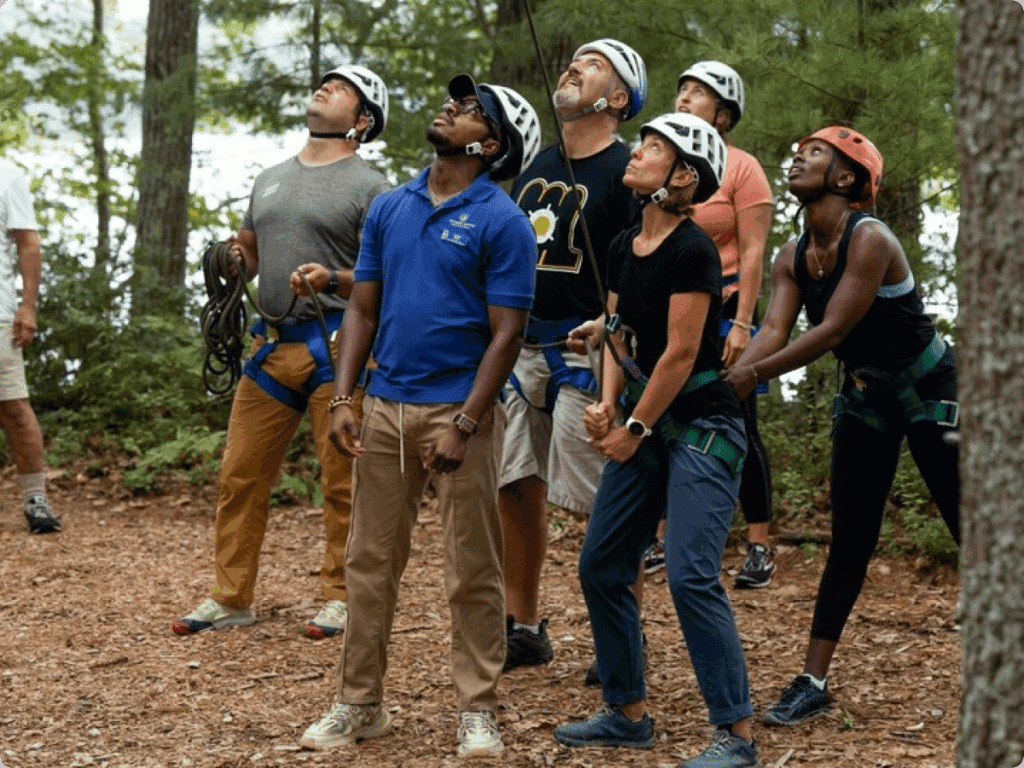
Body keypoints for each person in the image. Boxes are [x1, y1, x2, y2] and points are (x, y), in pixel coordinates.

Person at [299, 74, 541, 758]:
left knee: (472, 569)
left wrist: (466, 423)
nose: (451, 108)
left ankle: (477, 710)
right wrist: (345, 399)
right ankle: (358, 704)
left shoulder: (502, 220)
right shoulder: (390, 206)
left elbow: (507, 334)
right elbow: (363, 309)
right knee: (369, 563)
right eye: (456, 101)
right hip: (383, 407)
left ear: (491, 144)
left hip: (457, 413)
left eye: (470, 110)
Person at [724, 126, 960, 725]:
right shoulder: (791, 255)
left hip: (930, 390)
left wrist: (751, 379)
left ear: (848, 178)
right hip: (864, 398)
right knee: (850, 543)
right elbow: (773, 332)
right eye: (799, 149)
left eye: (817, 153)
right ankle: (812, 680)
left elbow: (830, 331)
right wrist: (718, 379)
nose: (799, 156)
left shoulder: (871, 239)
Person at [553, 112, 760, 768]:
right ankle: (626, 711)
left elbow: (678, 354)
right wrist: (607, 402)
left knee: (692, 572)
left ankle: (737, 734)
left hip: (701, 421)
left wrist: (633, 429)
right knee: (602, 564)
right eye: (641, 143)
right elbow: (616, 329)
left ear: (681, 176)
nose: (636, 153)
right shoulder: (621, 244)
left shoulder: (692, 250)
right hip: (642, 419)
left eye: (651, 148)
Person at [171, 65, 391, 639]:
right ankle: (230, 596)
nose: (324, 90)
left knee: (343, 480)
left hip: (339, 346)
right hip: (270, 348)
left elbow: (387, 277)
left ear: (362, 121)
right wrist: (234, 260)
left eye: (341, 90)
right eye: (324, 84)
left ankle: (342, 596)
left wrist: (333, 278)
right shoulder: (269, 178)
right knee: (239, 475)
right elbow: (251, 250)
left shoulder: (373, 188)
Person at [499, 38, 647, 671]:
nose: (574, 66)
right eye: (574, 59)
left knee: (603, 501)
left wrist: (613, 328)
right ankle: (524, 625)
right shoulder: (534, 169)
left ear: (617, 99)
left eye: (594, 65)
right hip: (523, 348)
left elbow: (643, 263)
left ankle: (622, 638)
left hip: (586, 353)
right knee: (515, 486)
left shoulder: (627, 171)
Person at [0, 156, 61, 534]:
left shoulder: (7, 174)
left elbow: (29, 242)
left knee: (13, 407)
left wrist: (27, 306)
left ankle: (36, 500)